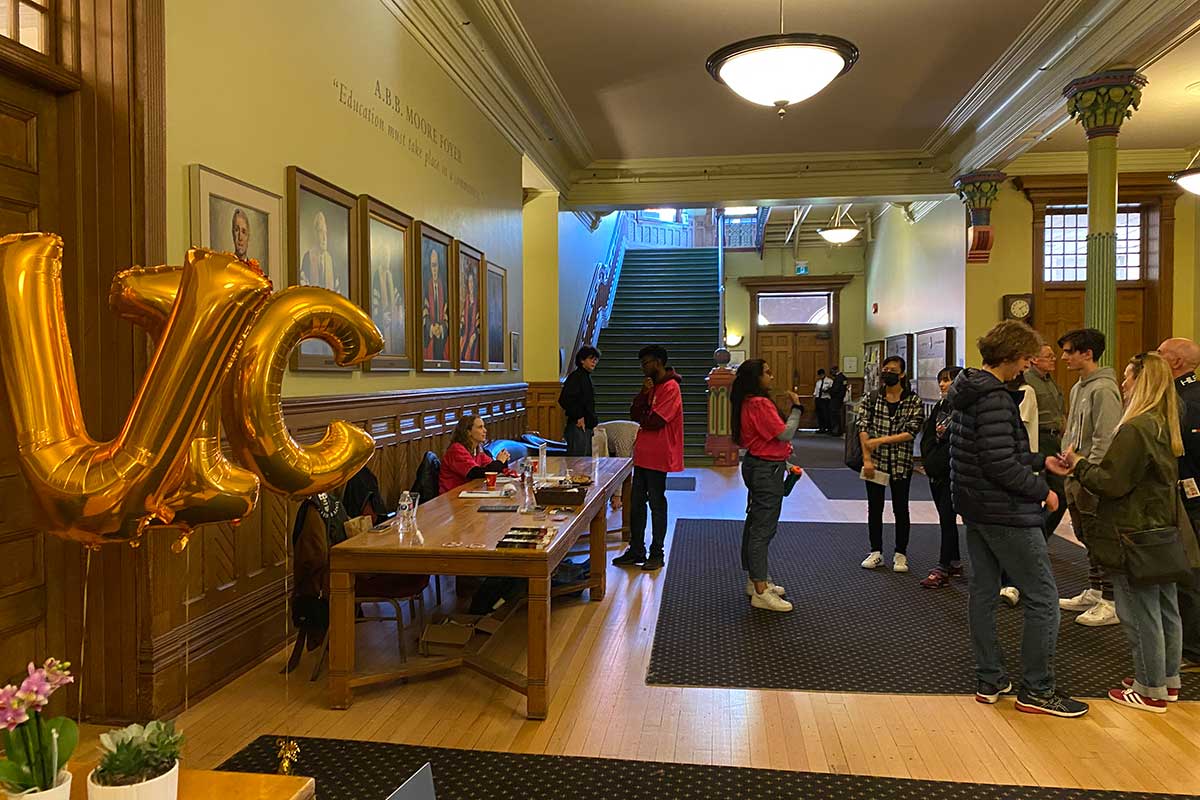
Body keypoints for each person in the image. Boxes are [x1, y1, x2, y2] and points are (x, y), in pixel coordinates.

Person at [948, 320, 1086, 717]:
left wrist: (1040, 460)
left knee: (984, 593)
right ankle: (1038, 690)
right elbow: (998, 464)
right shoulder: (993, 398)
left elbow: (989, 453)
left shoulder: (969, 390)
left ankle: (990, 677)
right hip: (1004, 511)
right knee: (1043, 598)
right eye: (1025, 358)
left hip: (977, 508)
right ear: (1009, 356)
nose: (1026, 366)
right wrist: (1042, 490)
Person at [1046, 353, 1191, 713]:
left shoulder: (1135, 428)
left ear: (1141, 382)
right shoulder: (1164, 422)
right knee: (1165, 607)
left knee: (1139, 612)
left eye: (1128, 377)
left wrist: (1079, 465)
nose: (1123, 384)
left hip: (1131, 531)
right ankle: (1166, 679)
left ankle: (1149, 687)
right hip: (1159, 529)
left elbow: (1111, 483)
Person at [1057, 328, 1124, 627]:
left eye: (1070, 351)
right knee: (1085, 535)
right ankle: (1095, 590)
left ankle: (1111, 600)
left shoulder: (1103, 389)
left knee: (1101, 537)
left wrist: (1089, 472)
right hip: (1074, 473)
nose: (1064, 357)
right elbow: (1073, 431)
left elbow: (1105, 438)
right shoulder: (1078, 387)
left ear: (1087, 353)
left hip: (1091, 476)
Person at [730, 359, 803, 612]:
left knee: (755, 523)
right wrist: (797, 408)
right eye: (767, 373)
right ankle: (761, 591)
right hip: (765, 470)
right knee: (763, 529)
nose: (771, 377)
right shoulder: (759, 403)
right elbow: (784, 433)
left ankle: (756, 580)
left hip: (756, 464)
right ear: (756, 378)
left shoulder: (746, 401)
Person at [613, 345, 683, 572]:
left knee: (656, 503)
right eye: (642, 363)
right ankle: (636, 549)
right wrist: (643, 395)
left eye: (647, 363)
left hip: (658, 454)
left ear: (659, 362)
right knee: (636, 504)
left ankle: (657, 552)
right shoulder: (651, 387)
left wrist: (644, 415)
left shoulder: (671, 387)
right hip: (643, 453)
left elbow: (655, 421)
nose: (643, 368)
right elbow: (635, 414)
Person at [858, 355, 924, 573]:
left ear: (902, 374)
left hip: (901, 462)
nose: (888, 373)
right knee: (874, 507)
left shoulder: (913, 401)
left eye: (893, 370)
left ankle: (900, 553)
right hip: (875, 462)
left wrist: (880, 441)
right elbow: (863, 427)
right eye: (885, 369)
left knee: (900, 508)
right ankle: (875, 551)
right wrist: (867, 458)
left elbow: (911, 431)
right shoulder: (872, 398)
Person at [1157, 337, 1200, 672]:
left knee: (1191, 575)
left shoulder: (1189, 401)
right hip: (1182, 496)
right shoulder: (1178, 396)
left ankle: (1194, 650)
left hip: (1191, 499)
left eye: (1160, 354)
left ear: (1174, 363)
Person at [919, 366, 962, 589]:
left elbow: (955, 443)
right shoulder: (940, 406)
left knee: (947, 518)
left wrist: (939, 462)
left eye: (948, 380)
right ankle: (954, 561)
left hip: (953, 473)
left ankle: (943, 567)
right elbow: (928, 437)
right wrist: (929, 461)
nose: (943, 385)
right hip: (936, 472)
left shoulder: (964, 410)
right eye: (941, 380)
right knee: (945, 519)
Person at [1025, 344, 1068, 538]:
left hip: (1055, 438)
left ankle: (1041, 535)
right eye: (1048, 356)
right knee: (1036, 492)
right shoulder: (1027, 382)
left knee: (1061, 493)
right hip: (1038, 438)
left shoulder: (1050, 382)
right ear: (1034, 359)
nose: (1054, 359)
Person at [439, 414, 512, 495]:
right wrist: (499, 462)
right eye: (480, 427)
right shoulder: (456, 449)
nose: (485, 430)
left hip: (468, 492)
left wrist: (503, 459)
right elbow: (475, 473)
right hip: (451, 496)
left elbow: (492, 468)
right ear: (468, 432)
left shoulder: (477, 449)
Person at [559, 346, 601, 456]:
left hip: (586, 425)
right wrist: (578, 416)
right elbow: (565, 399)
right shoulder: (576, 377)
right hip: (578, 425)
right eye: (591, 358)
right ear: (582, 360)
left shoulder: (585, 376)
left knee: (585, 461)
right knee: (578, 462)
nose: (594, 362)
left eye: (596, 359)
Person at [300, 210, 339, 292]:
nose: (324, 238)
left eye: (326, 233)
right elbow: (303, 287)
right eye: (321, 232)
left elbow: (336, 289)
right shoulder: (308, 257)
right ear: (315, 234)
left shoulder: (331, 260)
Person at [423, 247, 448, 362]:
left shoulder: (445, 288)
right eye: (432, 265)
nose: (434, 269)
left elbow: (448, 312)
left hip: (443, 338)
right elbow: (424, 311)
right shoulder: (425, 288)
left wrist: (442, 328)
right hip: (430, 338)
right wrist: (431, 327)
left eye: (436, 265)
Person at [460, 266, 480, 363]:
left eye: (472, 282)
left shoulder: (478, 301)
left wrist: (474, 335)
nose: (470, 285)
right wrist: (460, 335)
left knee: (471, 353)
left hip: (474, 336)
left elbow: (479, 324)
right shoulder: (467, 301)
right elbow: (463, 320)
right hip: (466, 334)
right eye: (469, 282)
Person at [829, 365, 848, 435]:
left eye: (832, 371)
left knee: (834, 414)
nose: (831, 373)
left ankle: (835, 430)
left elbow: (835, 389)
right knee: (837, 414)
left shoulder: (838, 378)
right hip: (840, 398)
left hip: (835, 398)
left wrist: (829, 390)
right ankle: (838, 430)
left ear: (835, 370)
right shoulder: (843, 378)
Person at [814, 368, 834, 434]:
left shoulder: (830, 381)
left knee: (826, 414)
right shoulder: (818, 382)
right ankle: (821, 428)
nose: (821, 376)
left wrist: (826, 390)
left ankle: (829, 428)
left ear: (824, 374)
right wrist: (815, 398)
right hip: (818, 399)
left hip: (825, 399)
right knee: (820, 415)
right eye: (819, 375)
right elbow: (816, 391)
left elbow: (832, 390)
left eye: (821, 375)